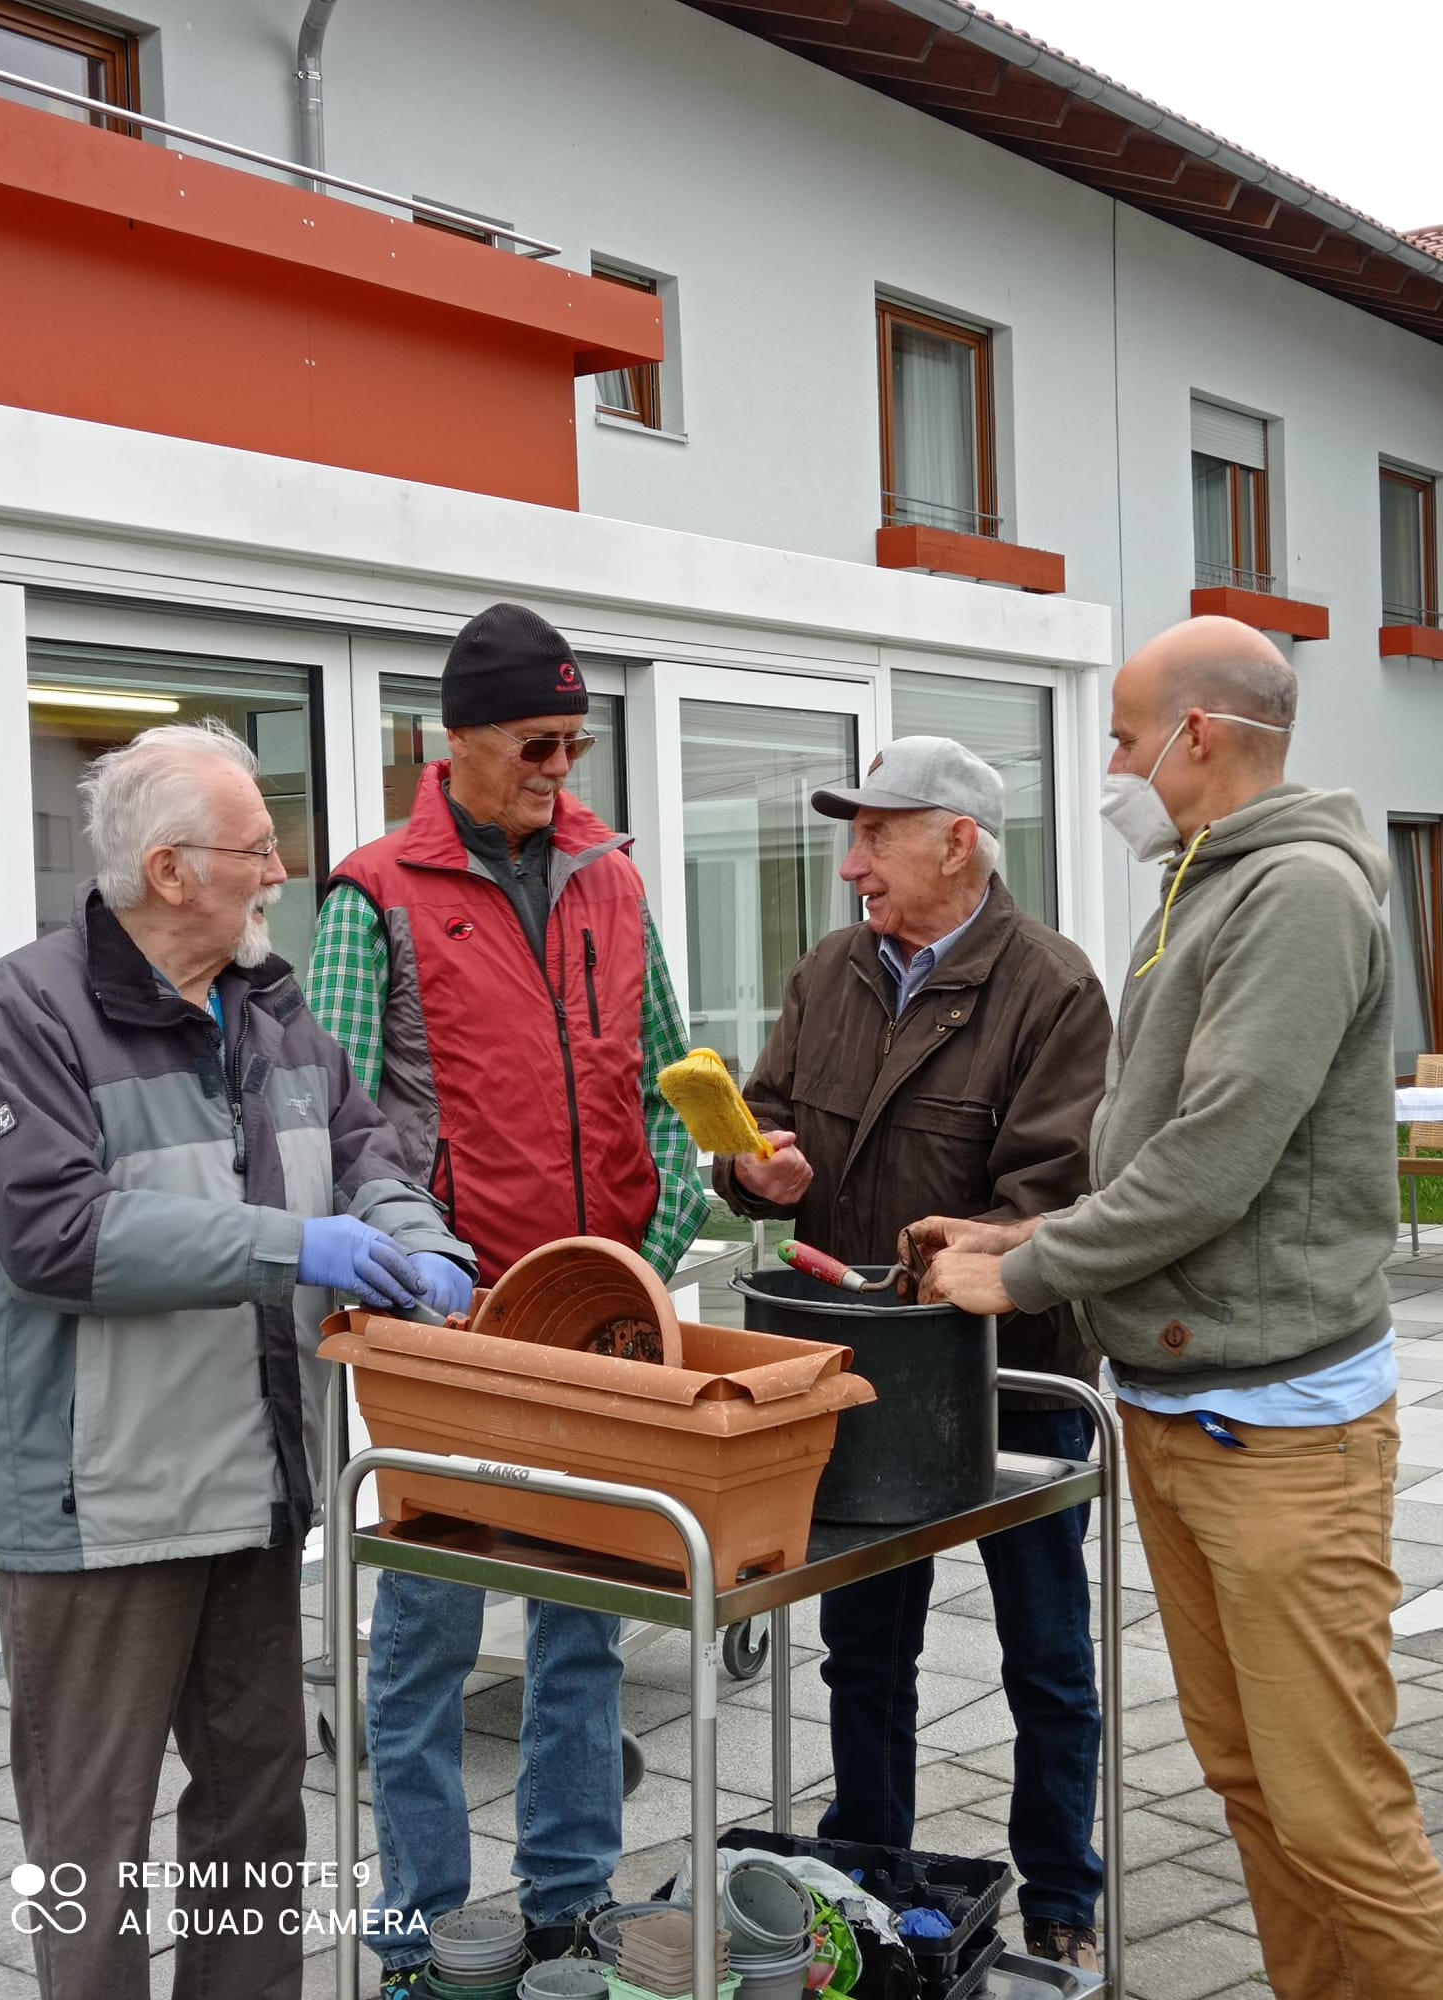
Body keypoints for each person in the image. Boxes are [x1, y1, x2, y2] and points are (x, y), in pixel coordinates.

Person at [914, 615, 1443, 1999]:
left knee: (1338, 1812)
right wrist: (1014, 1227)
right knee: (1248, 1783)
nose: (1112, 764)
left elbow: (1217, 1155)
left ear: (1198, 737)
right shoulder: (1201, 882)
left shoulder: (1303, 895)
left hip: (1281, 1438)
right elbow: (1153, 1158)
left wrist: (1023, 1273)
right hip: (1181, 1411)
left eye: (1124, 737)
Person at [0, 721, 474, 2000]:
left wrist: (414, 1237)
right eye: (258, 849)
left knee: (256, 1823)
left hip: (251, 1490)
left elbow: (367, 1153)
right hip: (101, 1507)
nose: (280, 871)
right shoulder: (23, 1015)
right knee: (93, 1850)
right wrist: (304, 1244)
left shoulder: (273, 1013)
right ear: (173, 869)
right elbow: (56, 1236)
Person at [308, 601, 706, 2000]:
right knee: (423, 1632)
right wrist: (408, 1264)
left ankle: (568, 1902)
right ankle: (419, 1929)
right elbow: (335, 1118)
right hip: (456, 1339)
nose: (559, 769)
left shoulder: (606, 871)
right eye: (537, 742)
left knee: (583, 1624)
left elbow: (665, 1066)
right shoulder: (373, 896)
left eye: (574, 741)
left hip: (598, 1321)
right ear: (456, 739)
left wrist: (681, 1203)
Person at [711, 736, 1112, 1972]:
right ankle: (861, 1866)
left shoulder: (1050, 985)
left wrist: (968, 1247)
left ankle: (1057, 1885)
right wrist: (754, 1166)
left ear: (957, 840)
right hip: (855, 1373)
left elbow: (1054, 1187)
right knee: (863, 1647)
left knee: (1041, 1646)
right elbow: (766, 1120)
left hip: (1008, 1374)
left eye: (876, 836)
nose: (850, 866)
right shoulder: (831, 969)